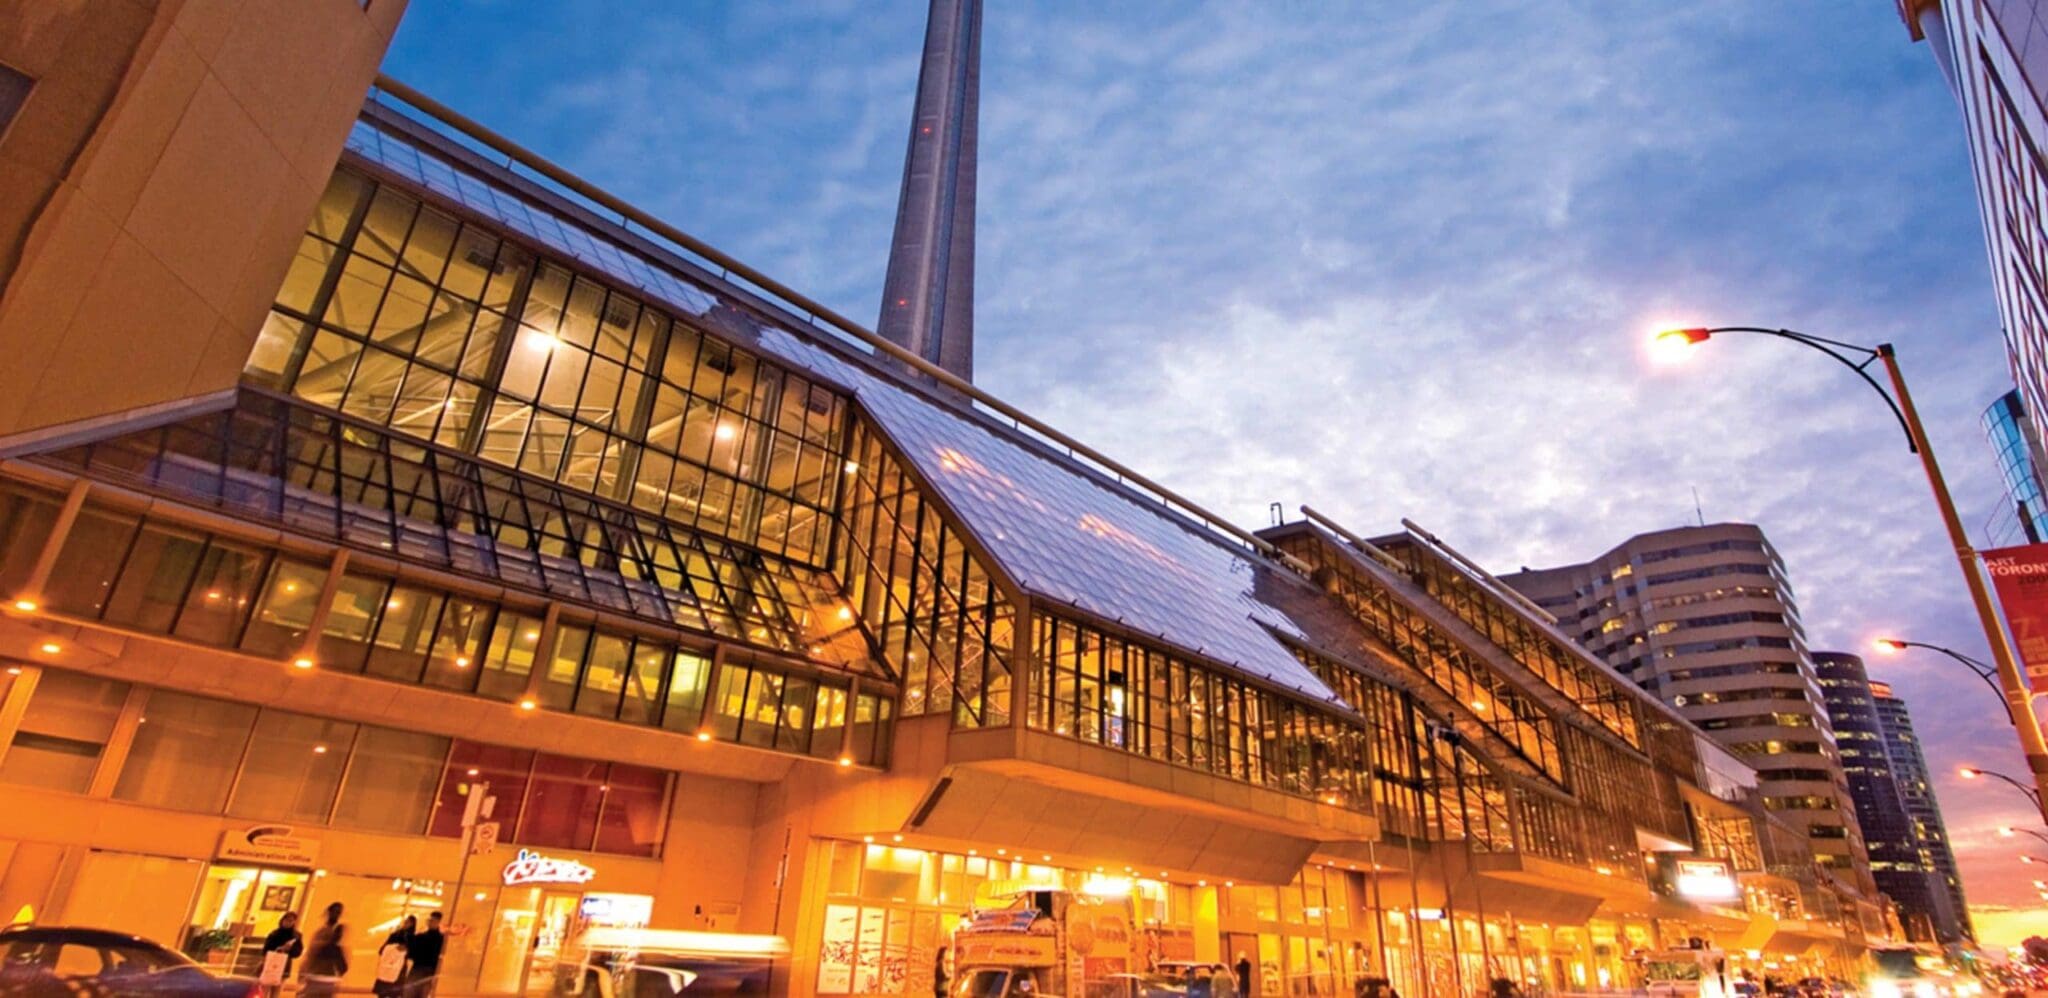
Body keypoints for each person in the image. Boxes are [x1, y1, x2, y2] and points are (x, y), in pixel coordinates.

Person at [300, 903, 348, 998]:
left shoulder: (323, 933)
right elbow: (343, 967)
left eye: (338, 912)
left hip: (319, 976)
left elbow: (310, 954)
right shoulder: (329, 935)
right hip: (325, 977)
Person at [259, 912, 303, 998]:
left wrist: (290, 949)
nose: (288, 923)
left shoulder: (296, 936)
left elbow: (298, 952)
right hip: (271, 964)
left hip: (284, 966)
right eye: (287, 920)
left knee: (277, 992)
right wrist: (278, 949)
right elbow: (266, 949)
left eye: (291, 921)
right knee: (265, 990)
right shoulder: (274, 933)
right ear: (282, 920)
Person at [405, 912, 445, 998]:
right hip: (423, 969)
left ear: (438, 922)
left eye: (432, 921)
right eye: (429, 920)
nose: (430, 922)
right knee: (416, 992)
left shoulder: (438, 939)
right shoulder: (438, 939)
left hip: (424, 969)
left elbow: (411, 951)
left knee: (414, 992)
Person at [375, 915, 416, 998]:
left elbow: (383, 949)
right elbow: (383, 949)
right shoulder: (404, 936)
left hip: (394, 966)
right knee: (392, 991)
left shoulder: (400, 935)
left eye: (407, 922)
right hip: (395, 966)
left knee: (388, 990)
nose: (405, 924)